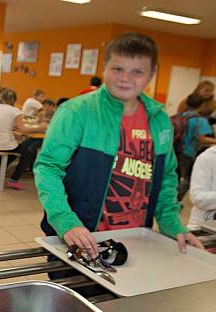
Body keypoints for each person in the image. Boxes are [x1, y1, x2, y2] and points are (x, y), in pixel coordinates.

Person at [34, 32, 202, 260]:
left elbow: (166, 178)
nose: (125, 78)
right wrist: (66, 221)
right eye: (117, 69)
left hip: (135, 238)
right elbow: (48, 169)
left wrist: (172, 225)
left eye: (137, 71)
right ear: (104, 68)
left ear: (152, 74)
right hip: (79, 237)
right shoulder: (77, 111)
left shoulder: (160, 119)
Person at [0, 89, 46, 190]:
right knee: (28, 154)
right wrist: (40, 128)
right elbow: (23, 129)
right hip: (5, 144)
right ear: (14, 99)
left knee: (19, 150)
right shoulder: (15, 111)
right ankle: (14, 179)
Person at [174, 93, 216, 202]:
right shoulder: (200, 120)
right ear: (202, 105)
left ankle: (169, 199)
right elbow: (202, 139)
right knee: (186, 178)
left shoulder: (180, 115)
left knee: (174, 176)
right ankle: (176, 201)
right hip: (187, 153)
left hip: (174, 149)